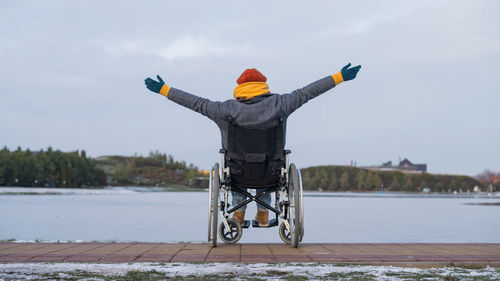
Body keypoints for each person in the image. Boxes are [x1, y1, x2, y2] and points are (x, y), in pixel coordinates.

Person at [144, 64, 361, 226]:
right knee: (267, 166)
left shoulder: (224, 110)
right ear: (263, 86)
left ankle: (237, 215)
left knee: (236, 169)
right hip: (272, 172)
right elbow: (308, 92)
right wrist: (339, 77)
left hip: (237, 172)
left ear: (240, 88)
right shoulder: (281, 104)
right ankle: (264, 215)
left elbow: (196, 103)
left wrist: (165, 90)